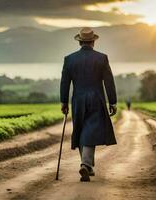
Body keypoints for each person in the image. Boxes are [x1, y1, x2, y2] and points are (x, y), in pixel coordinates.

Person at [60, 27, 118, 182]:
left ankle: (87, 166)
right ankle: (86, 164)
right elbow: (109, 82)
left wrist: (63, 102)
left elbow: (65, 83)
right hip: (96, 99)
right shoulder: (102, 58)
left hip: (78, 100)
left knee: (81, 130)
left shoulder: (69, 59)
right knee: (90, 132)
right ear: (93, 41)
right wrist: (112, 101)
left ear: (80, 42)